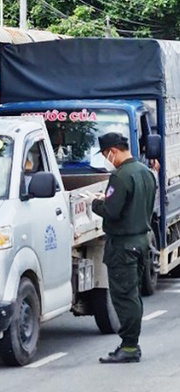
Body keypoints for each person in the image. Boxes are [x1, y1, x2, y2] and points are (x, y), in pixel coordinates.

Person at [91, 132, 156, 363]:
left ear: (113, 151)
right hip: (141, 241)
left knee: (124, 296)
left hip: (122, 245)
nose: (107, 159)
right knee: (133, 294)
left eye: (106, 155)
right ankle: (130, 343)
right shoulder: (146, 173)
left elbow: (112, 211)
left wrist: (96, 203)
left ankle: (129, 346)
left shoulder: (120, 176)